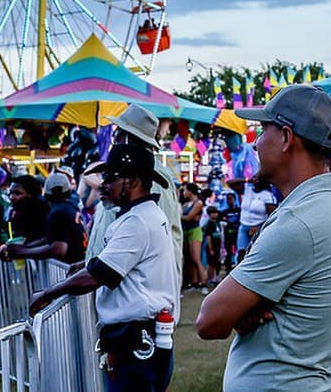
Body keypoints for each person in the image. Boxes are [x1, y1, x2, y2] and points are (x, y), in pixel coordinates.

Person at [196, 84, 331, 392]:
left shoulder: (301, 221)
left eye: (263, 130)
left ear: (287, 138)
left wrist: (241, 307)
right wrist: (247, 304)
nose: (257, 145)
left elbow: (209, 320)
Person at [29, 144, 179, 392]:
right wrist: (88, 264)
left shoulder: (137, 220)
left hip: (136, 339)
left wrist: (47, 294)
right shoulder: (143, 214)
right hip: (140, 336)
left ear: (132, 181)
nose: (102, 185)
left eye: (111, 177)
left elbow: (96, 276)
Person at [86, 105, 183, 279]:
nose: (115, 139)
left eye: (118, 134)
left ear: (128, 138)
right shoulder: (126, 173)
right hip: (119, 279)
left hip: (140, 285)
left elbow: (149, 235)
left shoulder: (151, 176)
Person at [1, 172, 86, 263]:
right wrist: (21, 248)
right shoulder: (71, 208)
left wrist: (22, 252)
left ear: (45, 193)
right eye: (10, 193)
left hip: (69, 269)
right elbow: (49, 239)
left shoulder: (57, 213)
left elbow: (59, 248)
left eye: (17, 193)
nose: (12, 197)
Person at [235, 174, 276, 262]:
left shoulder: (268, 196)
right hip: (244, 226)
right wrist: (246, 180)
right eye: (254, 178)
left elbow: (272, 215)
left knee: (254, 252)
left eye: (257, 179)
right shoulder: (247, 190)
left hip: (258, 226)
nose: (255, 180)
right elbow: (230, 183)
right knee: (241, 252)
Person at [180, 182, 209, 290]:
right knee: (189, 260)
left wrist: (178, 216)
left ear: (190, 191)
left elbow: (188, 217)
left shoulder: (198, 203)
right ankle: (194, 282)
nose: (184, 192)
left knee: (196, 259)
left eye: (185, 190)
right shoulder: (187, 203)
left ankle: (203, 283)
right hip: (187, 230)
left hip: (194, 231)